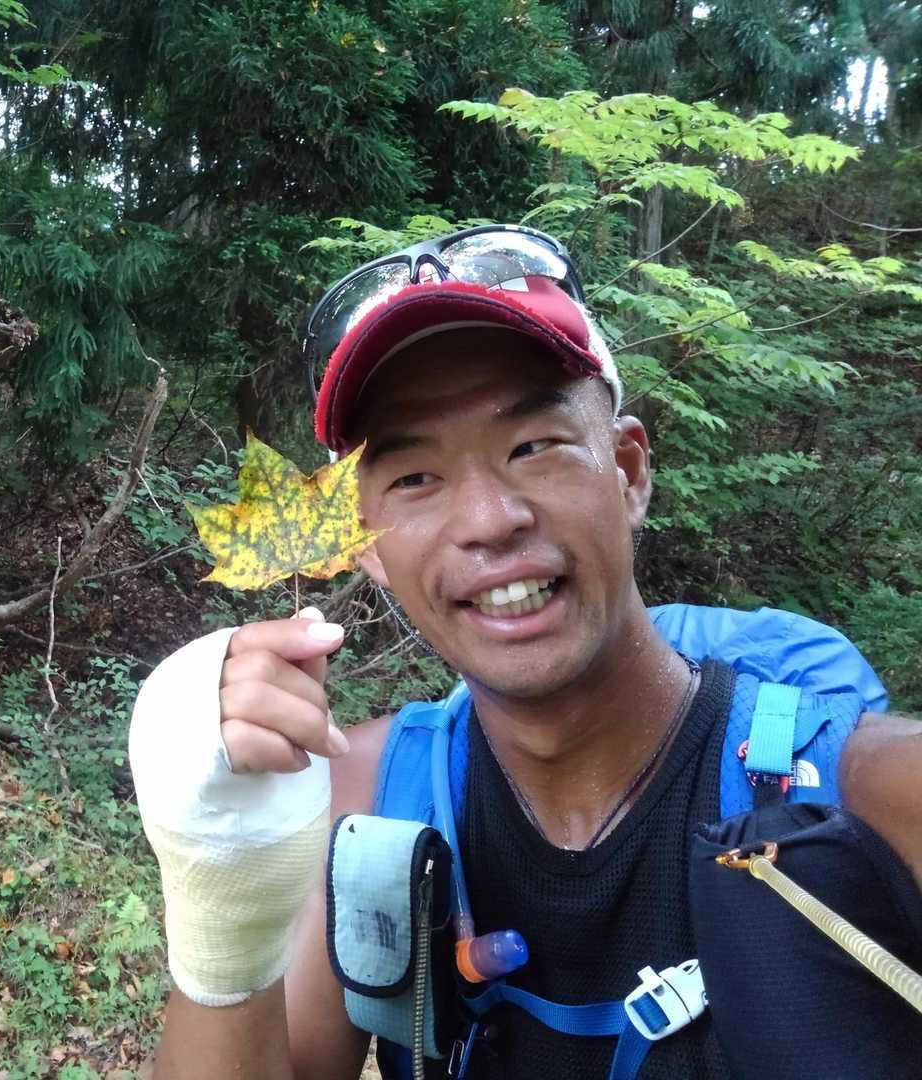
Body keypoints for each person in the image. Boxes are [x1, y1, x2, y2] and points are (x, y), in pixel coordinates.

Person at [128, 226, 922, 1079]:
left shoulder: (872, 797)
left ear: (628, 471)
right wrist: (219, 898)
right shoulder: (362, 803)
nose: (488, 520)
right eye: (415, 477)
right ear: (366, 545)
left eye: (534, 446)